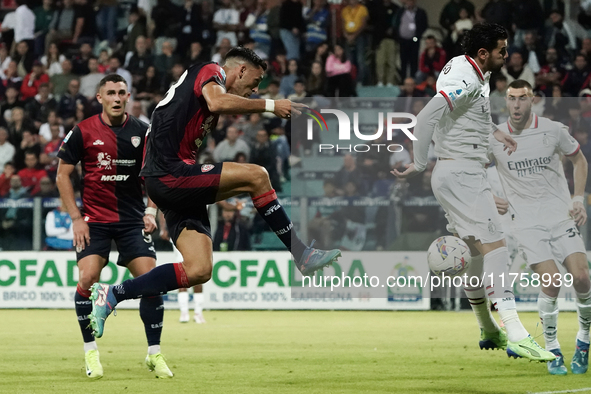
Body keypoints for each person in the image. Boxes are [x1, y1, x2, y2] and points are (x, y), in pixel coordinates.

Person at [87, 47, 341, 338]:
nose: (255, 90)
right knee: (258, 176)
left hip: (171, 182)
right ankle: (301, 253)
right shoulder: (211, 71)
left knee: (199, 270)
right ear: (240, 71)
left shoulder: (200, 101)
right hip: (171, 176)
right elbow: (218, 101)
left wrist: (154, 204)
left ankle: (113, 294)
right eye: (255, 82)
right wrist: (270, 105)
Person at [393, 23, 555, 362]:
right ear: (484, 53)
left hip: (460, 172)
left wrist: (496, 133)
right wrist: (419, 163)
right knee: (497, 247)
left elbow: (466, 119)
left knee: (475, 253)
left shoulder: (469, 71)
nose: (506, 55)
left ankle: (488, 327)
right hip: (463, 173)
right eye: (501, 49)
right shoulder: (466, 77)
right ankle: (516, 333)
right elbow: (424, 120)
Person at [56, 74, 173, 380]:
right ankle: (90, 351)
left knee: (151, 281)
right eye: (111, 93)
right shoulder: (82, 131)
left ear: (129, 96)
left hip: (132, 220)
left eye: (122, 92)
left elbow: (155, 175)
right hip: (93, 222)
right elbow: (61, 175)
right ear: (100, 98)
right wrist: (76, 218)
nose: (117, 98)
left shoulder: (142, 132)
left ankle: (154, 353)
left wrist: (151, 210)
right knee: (87, 278)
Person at [490, 79, 591, 375]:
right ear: (505, 101)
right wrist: (488, 196)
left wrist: (578, 199)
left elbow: (579, 161)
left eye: (522, 98)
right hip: (526, 223)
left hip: (561, 216)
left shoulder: (552, 129)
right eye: (511, 99)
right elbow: (470, 170)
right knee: (552, 281)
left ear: (532, 100)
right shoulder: (494, 137)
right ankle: (552, 347)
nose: (516, 104)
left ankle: (584, 341)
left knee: (582, 277)